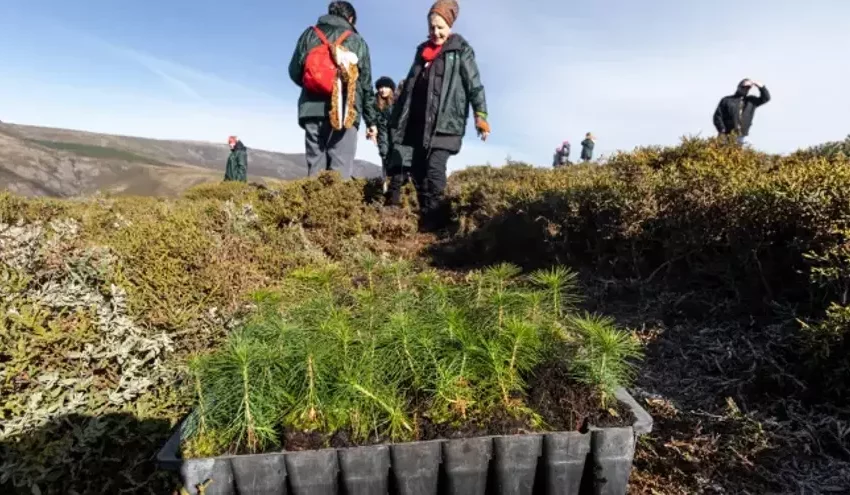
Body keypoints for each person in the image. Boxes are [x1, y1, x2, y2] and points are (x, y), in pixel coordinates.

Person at [387, 0, 489, 227]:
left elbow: (474, 84)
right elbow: (408, 89)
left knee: (435, 170)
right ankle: (427, 222)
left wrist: (480, 115)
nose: (435, 32)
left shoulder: (460, 49)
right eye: (432, 27)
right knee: (418, 172)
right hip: (417, 123)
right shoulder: (421, 52)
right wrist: (396, 120)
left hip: (445, 122)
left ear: (450, 25)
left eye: (440, 27)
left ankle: (437, 223)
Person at [288, 1, 377, 178]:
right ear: (351, 19)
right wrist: (371, 122)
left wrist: (316, 86)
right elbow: (366, 85)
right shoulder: (357, 41)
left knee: (315, 170)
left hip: (312, 109)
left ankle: (313, 205)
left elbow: (294, 71)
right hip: (346, 111)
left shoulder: (309, 34)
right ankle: (335, 205)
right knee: (340, 170)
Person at [713, 78, 771, 145]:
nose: (745, 89)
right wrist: (722, 129)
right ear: (738, 87)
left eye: (748, 88)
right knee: (721, 152)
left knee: (738, 154)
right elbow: (717, 116)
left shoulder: (751, 101)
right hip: (726, 133)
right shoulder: (727, 100)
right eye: (744, 87)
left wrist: (761, 87)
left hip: (742, 135)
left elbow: (766, 98)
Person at [374, 76, 396, 188]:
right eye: (380, 87)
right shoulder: (375, 104)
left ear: (391, 88)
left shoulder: (398, 102)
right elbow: (380, 128)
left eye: (386, 87)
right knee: (386, 160)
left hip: (397, 139)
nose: (382, 90)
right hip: (383, 139)